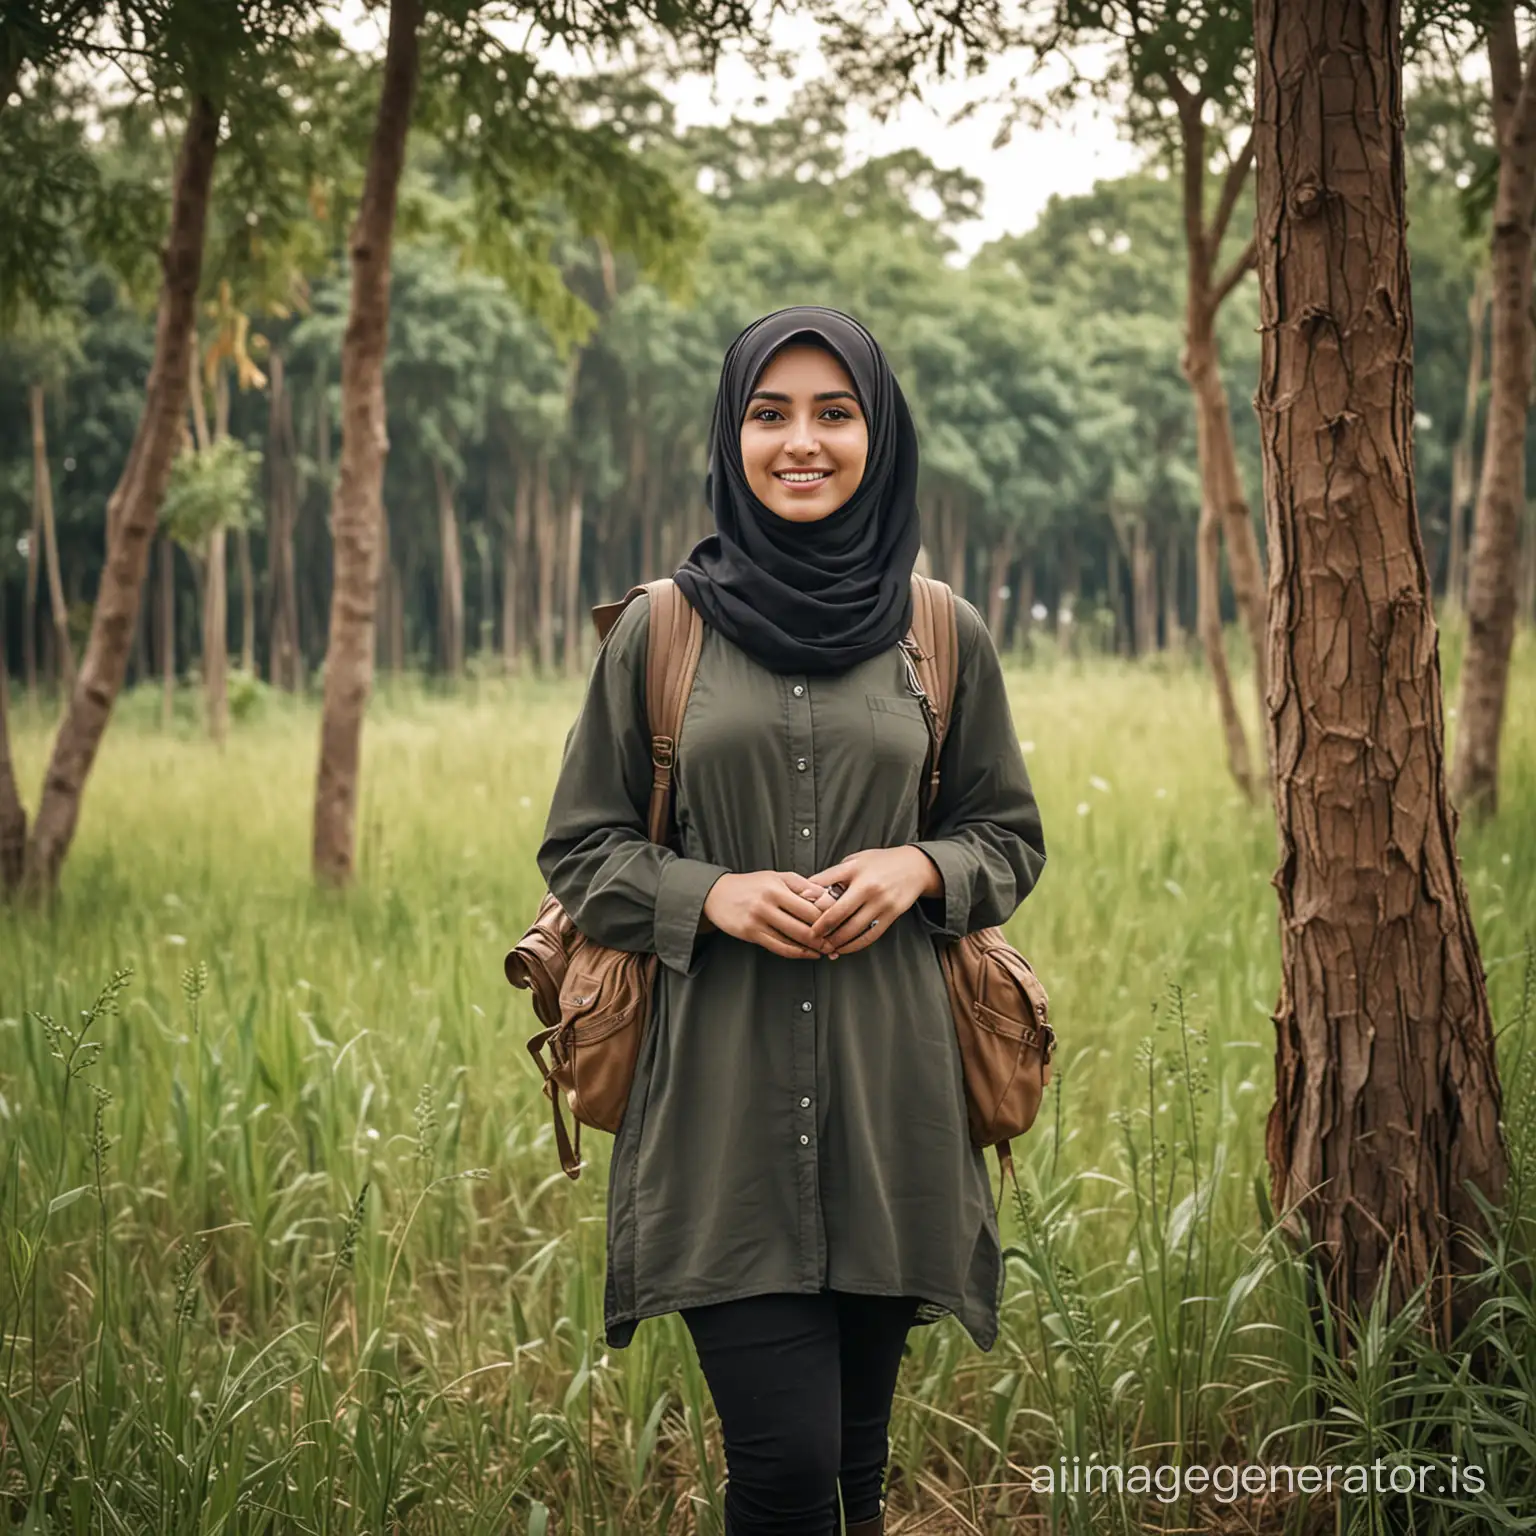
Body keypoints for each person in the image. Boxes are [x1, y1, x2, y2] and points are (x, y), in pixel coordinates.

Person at [536, 306, 1047, 1535]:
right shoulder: (661, 629)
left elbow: (1007, 835)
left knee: (856, 1475)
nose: (800, 442)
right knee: (783, 1470)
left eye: (834, 413)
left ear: (880, 433)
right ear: (732, 435)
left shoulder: (941, 631)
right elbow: (579, 846)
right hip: (719, 1122)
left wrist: (920, 873)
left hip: (893, 1112)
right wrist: (706, 891)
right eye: (771, 415)